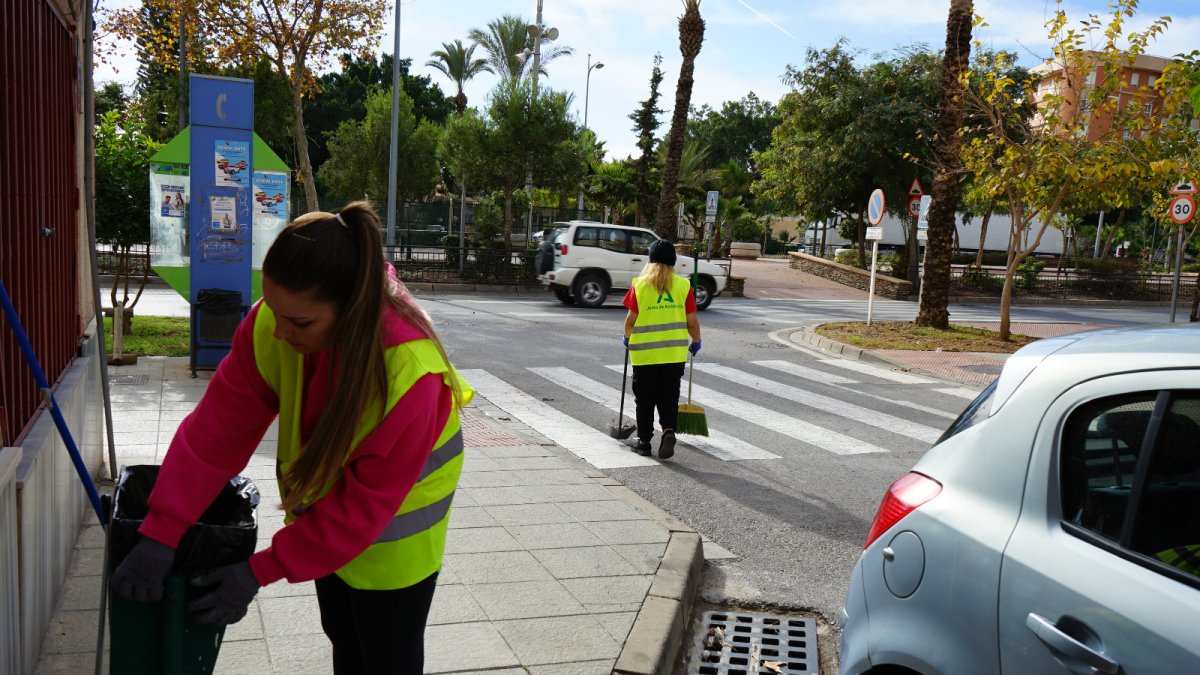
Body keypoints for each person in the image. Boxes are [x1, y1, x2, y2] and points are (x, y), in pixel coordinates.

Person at [110, 201, 472, 674]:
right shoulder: (279, 319)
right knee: (343, 635)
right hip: (329, 523)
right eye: (274, 310)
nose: (280, 332)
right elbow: (216, 431)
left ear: (352, 311)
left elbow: (361, 511)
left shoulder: (409, 373)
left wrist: (257, 571)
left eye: (300, 324)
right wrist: (161, 531)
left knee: (386, 656)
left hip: (397, 535)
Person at [621, 239, 701, 459]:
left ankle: (644, 442)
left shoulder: (639, 285)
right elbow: (692, 322)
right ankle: (668, 430)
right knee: (669, 396)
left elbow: (630, 321)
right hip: (673, 354)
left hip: (644, 355)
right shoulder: (684, 286)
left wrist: (626, 338)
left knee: (644, 399)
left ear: (651, 260)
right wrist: (696, 341)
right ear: (673, 262)